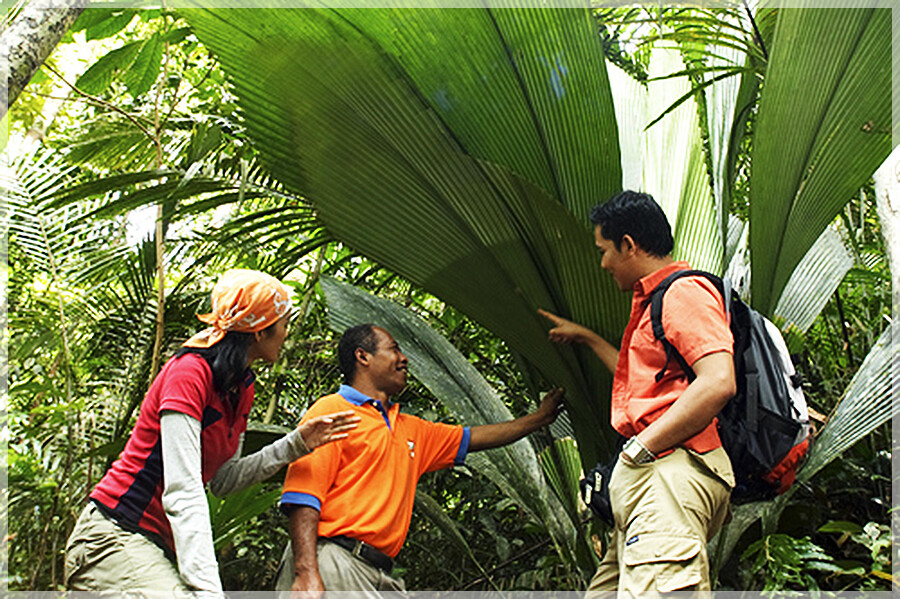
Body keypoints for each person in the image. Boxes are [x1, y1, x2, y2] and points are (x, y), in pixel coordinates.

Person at [65, 269, 360, 597]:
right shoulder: (189, 373)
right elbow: (183, 490)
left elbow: (223, 480)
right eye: (284, 323)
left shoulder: (239, 387)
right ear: (260, 332)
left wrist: (295, 444)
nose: (287, 332)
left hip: (152, 547)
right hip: (114, 535)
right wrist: (208, 591)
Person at [539, 191, 736, 595]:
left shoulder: (684, 293)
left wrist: (638, 449)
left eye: (604, 250)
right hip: (653, 480)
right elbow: (642, 385)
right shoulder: (655, 303)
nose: (603, 263)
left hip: (669, 473)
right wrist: (590, 339)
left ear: (628, 244)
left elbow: (718, 380)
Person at [275, 323, 564, 594]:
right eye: (394, 349)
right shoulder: (331, 411)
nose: (404, 359)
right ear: (363, 356)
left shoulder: (411, 429)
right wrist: (306, 571)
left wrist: (539, 418)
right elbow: (303, 496)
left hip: (378, 571)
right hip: (333, 561)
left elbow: (474, 438)